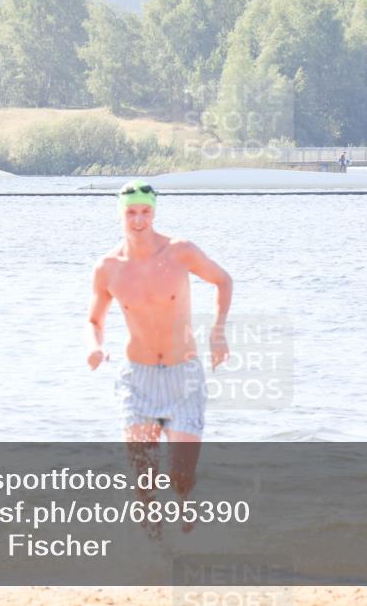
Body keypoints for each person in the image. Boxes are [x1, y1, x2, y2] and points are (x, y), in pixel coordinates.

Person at [86, 179, 233, 536]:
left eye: (145, 212)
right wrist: (95, 346)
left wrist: (218, 331)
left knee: (180, 478)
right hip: (137, 379)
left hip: (184, 376)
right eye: (131, 213)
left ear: (154, 213)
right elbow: (94, 320)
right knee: (144, 482)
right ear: (120, 215)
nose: (138, 220)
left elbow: (223, 280)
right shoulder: (108, 267)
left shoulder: (180, 252)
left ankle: (188, 526)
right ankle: (154, 550)